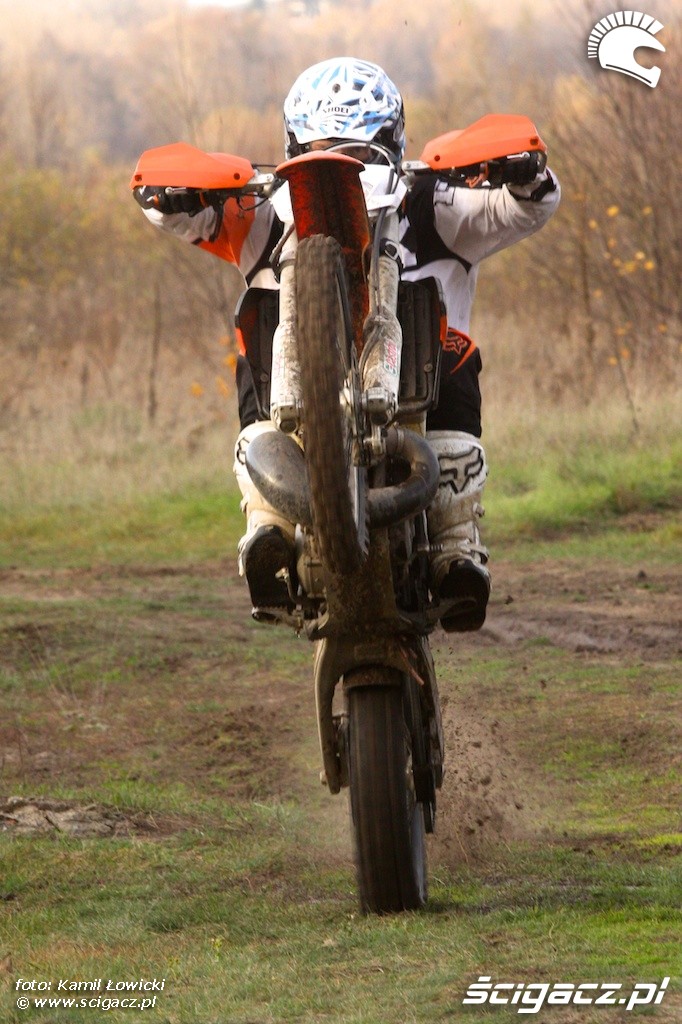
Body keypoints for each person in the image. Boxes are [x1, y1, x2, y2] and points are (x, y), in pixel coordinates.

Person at [134, 57, 560, 631]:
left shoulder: (436, 204)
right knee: (252, 331)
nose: (342, 166)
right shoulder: (262, 216)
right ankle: (268, 529)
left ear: (393, 142)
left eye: (359, 150)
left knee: (456, 346)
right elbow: (183, 217)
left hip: (426, 395)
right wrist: (172, 196)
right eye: (320, 148)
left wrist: (525, 173)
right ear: (293, 147)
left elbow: (527, 207)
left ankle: (457, 544)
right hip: (300, 401)